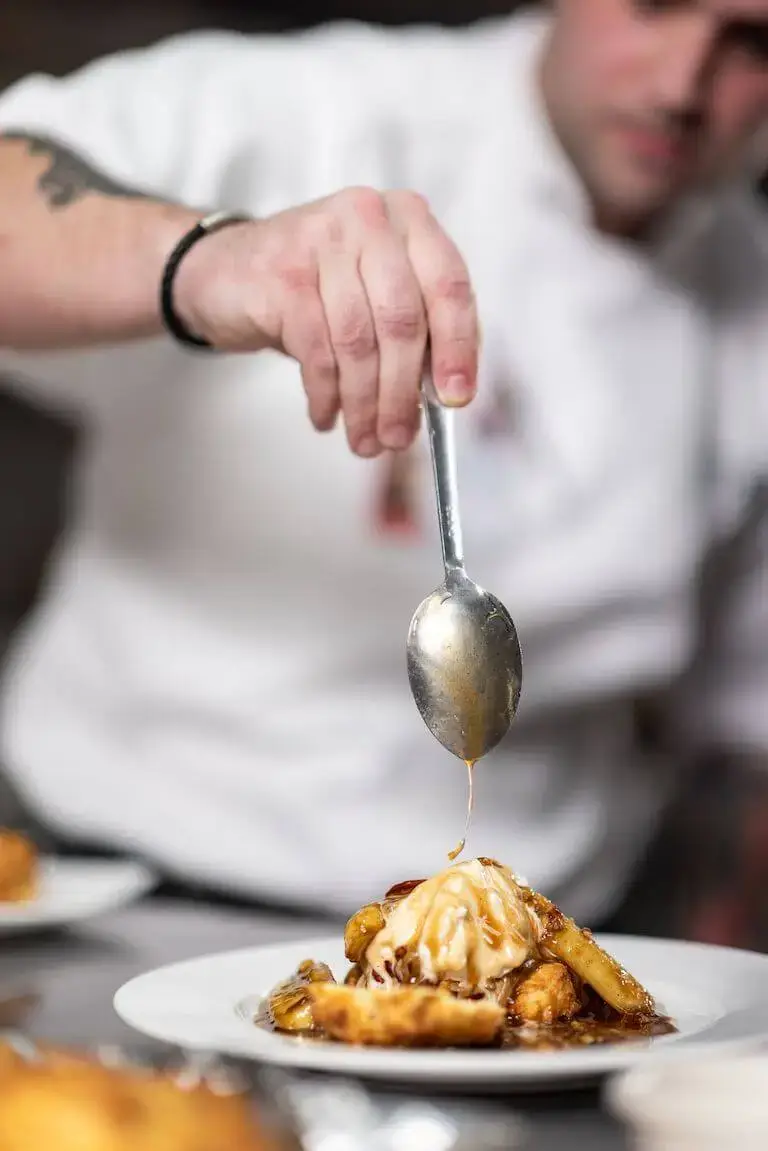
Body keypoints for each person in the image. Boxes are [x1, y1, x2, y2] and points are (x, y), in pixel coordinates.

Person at [0, 0, 766, 929]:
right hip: (116, 885)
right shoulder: (321, 109)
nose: (683, 85)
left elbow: (739, 730)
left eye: (753, 42)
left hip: (530, 936)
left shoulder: (749, 287)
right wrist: (208, 262)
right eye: (654, 6)